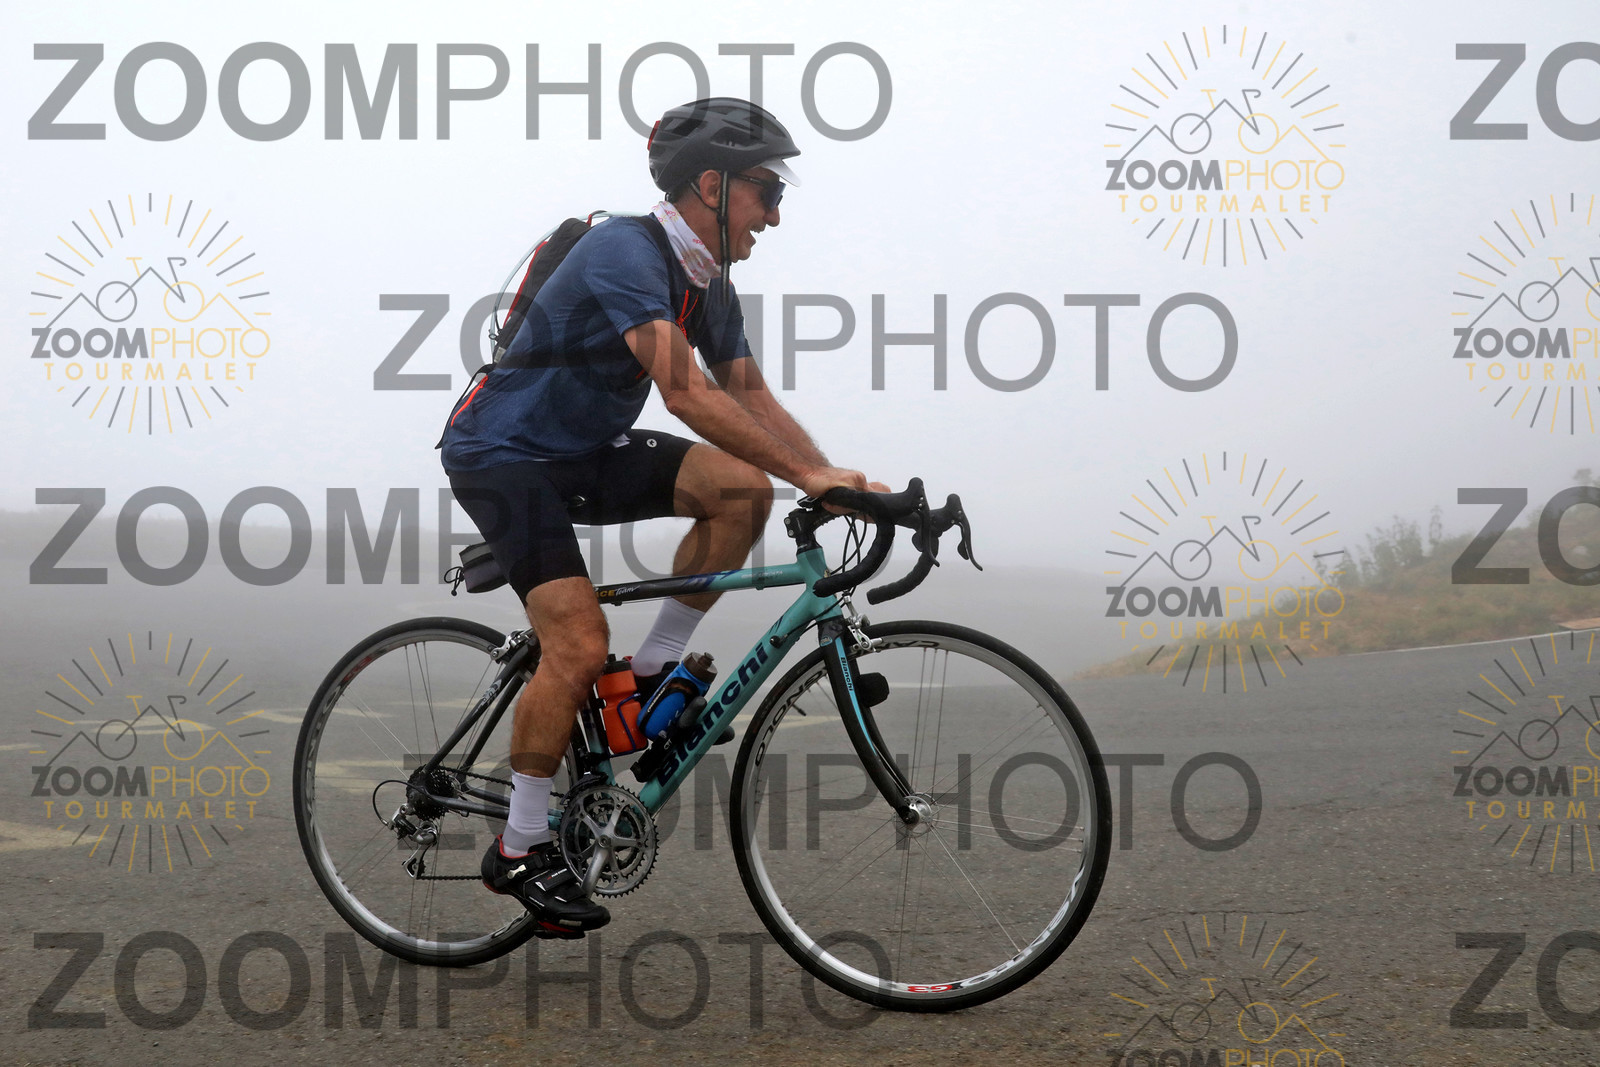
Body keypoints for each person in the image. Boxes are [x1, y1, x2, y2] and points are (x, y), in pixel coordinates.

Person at [438, 98, 885, 940]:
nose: (775, 215)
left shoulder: (706, 282)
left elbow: (748, 394)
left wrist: (829, 479)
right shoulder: (624, 250)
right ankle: (519, 844)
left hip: (584, 449)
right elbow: (684, 392)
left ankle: (647, 680)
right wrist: (809, 474)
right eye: (766, 192)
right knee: (576, 644)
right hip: (501, 453)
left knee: (743, 491)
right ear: (711, 185)